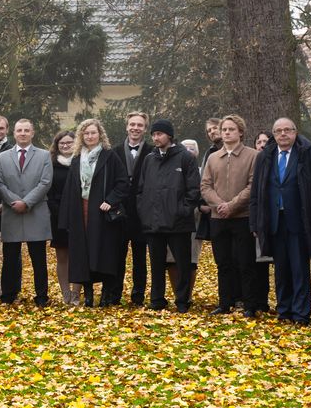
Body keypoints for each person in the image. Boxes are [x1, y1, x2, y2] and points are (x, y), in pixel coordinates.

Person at [251, 117, 311, 325]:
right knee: (281, 269)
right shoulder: (265, 156)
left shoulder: (308, 154)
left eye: (287, 130)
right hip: (274, 222)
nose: (283, 134)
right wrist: (256, 223)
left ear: (295, 132)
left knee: (299, 269)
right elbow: (256, 193)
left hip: (300, 222)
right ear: (273, 134)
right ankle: (284, 310)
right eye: (278, 131)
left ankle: (301, 313)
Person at [200, 114, 265, 317]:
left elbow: (253, 185)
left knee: (245, 262)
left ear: (240, 132)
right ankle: (225, 302)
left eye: (231, 129)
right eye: (224, 129)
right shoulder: (213, 158)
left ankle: (249, 304)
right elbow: (205, 185)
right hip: (218, 218)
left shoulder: (253, 155)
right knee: (223, 262)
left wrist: (232, 205)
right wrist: (220, 205)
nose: (227, 132)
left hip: (242, 216)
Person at [132, 120, 199, 311]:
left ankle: (182, 301)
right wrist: (144, 212)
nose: (155, 138)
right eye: (153, 134)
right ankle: (157, 300)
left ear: (169, 136)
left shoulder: (185, 158)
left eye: (159, 134)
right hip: (153, 222)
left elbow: (193, 190)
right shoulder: (149, 159)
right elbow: (141, 189)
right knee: (156, 264)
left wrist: (182, 211)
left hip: (178, 223)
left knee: (182, 264)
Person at [63, 120, 130, 306]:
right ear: (81, 137)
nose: (90, 136)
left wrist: (111, 200)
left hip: (102, 213)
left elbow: (123, 182)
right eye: (86, 134)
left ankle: (106, 295)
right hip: (81, 210)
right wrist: (66, 218)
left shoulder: (109, 156)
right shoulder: (76, 159)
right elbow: (70, 189)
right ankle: (88, 294)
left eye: (93, 133)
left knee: (103, 252)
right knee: (83, 253)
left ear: (100, 134)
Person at [0, 119, 54, 306]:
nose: (22, 133)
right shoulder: (2, 157)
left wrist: (26, 203)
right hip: (11, 212)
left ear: (32, 133)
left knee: (38, 258)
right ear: (14, 133)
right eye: (19, 130)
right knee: (10, 257)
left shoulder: (44, 156)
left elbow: (45, 183)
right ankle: (8, 295)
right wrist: (14, 201)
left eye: (26, 130)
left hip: (35, 211)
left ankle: (42, 296)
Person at [113, 112, 152, 305]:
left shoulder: (152, 152)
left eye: (140, 125)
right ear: (126, 126)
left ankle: (138, 296)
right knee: (117, 256)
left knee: (140, 258)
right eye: (132, 124)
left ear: (145, 129)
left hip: (142, 213)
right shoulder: (115, 151)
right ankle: (114, 293)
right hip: (119, 212)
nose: (135, 128)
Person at [46, 130, 77, 306]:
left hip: (79, 215)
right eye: (62, 143)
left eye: (69, 143)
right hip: (58, 216)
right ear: (57, 146)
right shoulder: (51, 164)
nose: (65, 146)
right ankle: (65, 293)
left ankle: (76, 293)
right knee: (62, 257)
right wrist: (58, 212)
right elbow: (48, 192)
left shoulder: (81, 162)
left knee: (78, 256)